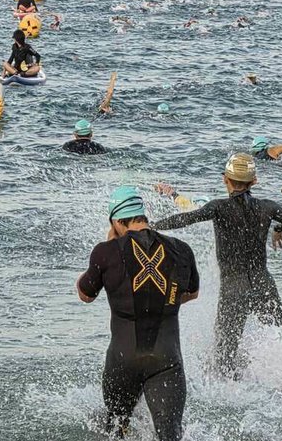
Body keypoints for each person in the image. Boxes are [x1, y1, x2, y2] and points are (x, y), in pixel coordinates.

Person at [153, 153, 282, 379]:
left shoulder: (218, 207)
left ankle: (228, 388)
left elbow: (186, 219)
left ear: (226, 179)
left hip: (234, 288)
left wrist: (150, 227)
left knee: (224, 354)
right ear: (254, 181)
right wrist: (278, 228)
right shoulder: (267, 207)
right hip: (263, 283)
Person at [76, 186, 200, 441]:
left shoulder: (105, 251)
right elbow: (192, 293)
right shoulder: (181, 248)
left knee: (115, 430)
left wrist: (109, 248)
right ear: (143, 217)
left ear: (117, 221)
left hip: (122, 361)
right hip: (166, 361)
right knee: (170, 435)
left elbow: (86, 294)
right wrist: (163, 301)